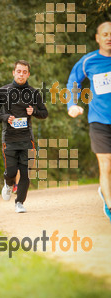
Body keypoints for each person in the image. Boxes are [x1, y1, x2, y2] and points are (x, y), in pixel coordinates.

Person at [67, 21, 111, 222]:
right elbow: (73, 81)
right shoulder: (89, 61)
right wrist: (72, 104)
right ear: (98, 38)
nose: (109, 37)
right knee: (106, 165)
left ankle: (105, 191)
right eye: (105, 34)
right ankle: (110, 205)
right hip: (100, 121)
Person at [0, 60, 48, 213]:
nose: (21, 74)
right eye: (19, 71)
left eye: (24, 72)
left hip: (26, 139)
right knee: (11, 172)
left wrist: (34, 112)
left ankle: (19, 203)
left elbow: (44, 113)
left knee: (25, 172)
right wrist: (5, 117)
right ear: (13, 72)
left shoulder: (34, 93)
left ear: (28, 74)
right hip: (9, 139)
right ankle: (8, 183)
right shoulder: (2, 91)